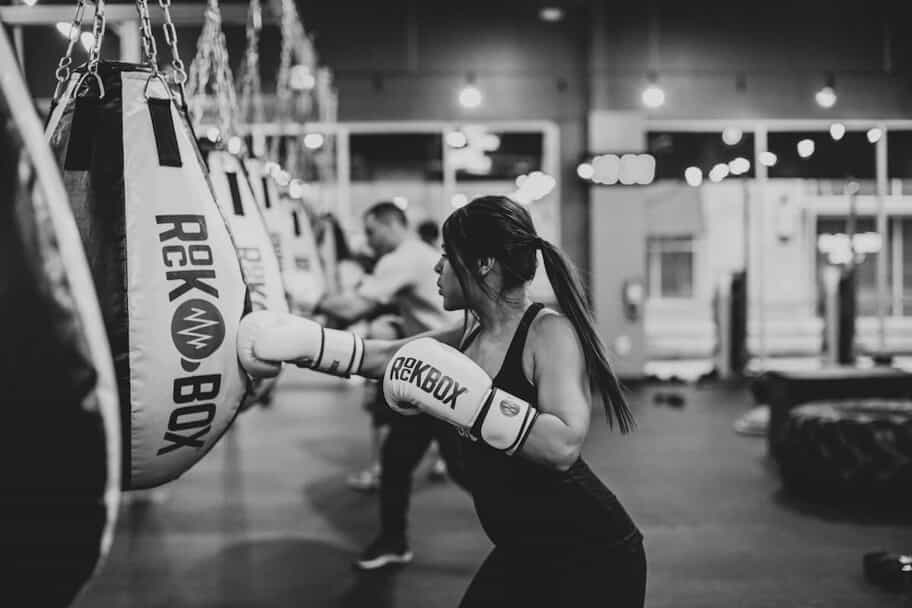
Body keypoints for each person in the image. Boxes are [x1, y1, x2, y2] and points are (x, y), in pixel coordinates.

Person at [238, 195, 646, 606]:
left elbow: (562, 446)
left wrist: (475, 405)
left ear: (483, 263)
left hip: (592, 554)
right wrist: (303, 343)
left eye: (447, 256)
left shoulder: (548, 334)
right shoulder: (467, 334)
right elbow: (382, 355)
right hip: (523, 548)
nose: (438, 267)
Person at [312, 200, 466, 569]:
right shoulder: (416, 255)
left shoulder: (402, 258)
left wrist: (309, 300)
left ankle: (538, 537)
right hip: (431, 375)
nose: (369, 240)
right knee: (397, 460)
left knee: (468, 470)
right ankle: (393, 540)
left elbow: (351, 309)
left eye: (371, 231)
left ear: (391, 224)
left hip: (448, 376)